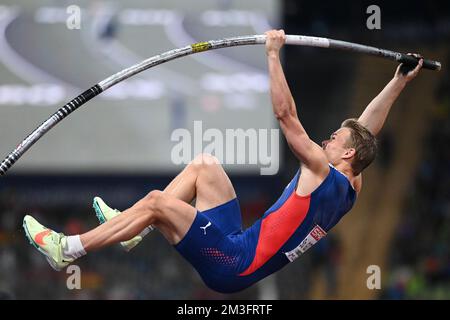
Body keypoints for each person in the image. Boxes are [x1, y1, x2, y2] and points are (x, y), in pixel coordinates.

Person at [22, 30, 423, 294]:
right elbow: (366, 129)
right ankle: (132, 233)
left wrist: (271, 54)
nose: (327, 138)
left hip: (231, 265)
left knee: (157, 202)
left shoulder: (320, 169)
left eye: (335, 138)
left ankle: (67, 248)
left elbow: (286, 117)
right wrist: (398, 82)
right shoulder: (352, 185)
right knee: (204, 166)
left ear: (346, 154)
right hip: (239, 246)